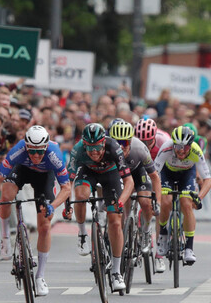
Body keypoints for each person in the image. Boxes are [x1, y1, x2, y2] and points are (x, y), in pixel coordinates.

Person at [0, 125, 71, 296]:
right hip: (22, 170)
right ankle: (5, 237)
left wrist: (52, 206)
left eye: (39, 152)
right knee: (7, 194)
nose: (35, 156)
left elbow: (66, 188)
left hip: (44, 177)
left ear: (46, 148)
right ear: (26, 147)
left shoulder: (54, 154)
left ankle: (40, 277)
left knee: (45, 226)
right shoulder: (18, 150)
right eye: (31, 151)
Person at [66, 123, 134, 291]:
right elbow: (67, 182)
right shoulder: (78, 150)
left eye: (97, 147)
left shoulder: (114, 147)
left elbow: (129, 181)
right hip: (87, 172)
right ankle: (82, 234)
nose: (94, 151)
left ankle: (116, 272)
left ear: (103, 142)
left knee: (116, 222)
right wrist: (68, 203)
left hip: (110, 174)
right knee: (81, 195)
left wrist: (121, 201)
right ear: (84, 144)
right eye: (90, 148)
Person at [154, 126, 211, 264]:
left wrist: (199, 197)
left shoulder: (196, 150)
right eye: (178, 146)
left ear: (190, 146)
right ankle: (162, 234)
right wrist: (156, 197)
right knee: (166, 201)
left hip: (187, 174)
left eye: (185, 147)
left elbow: (208, 180)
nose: (181, 150)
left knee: (187, 203)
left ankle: (189, 248)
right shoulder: (166, 148)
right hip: (167, 173)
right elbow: (154, 174)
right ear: (173, 144)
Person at [109, 120, 162, 253]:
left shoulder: (140, 148)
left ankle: (145, 231)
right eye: (117, 143)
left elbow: (155, 177)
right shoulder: (107, 149)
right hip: (118, 175)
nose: (121, 147)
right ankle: (122, 234)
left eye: (125, 143)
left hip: (138, 173)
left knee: (145, 202)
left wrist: (158, 202)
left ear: (131, 141)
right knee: (119, 208)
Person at [134, 118, 170, 273]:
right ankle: (139, 232)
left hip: (162, 170)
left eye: (148, 141)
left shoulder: (164, 142)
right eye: (142, 141)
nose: (145, 145)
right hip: (141, 168)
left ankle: (159, 256)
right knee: (144, 201)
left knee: (159, 209)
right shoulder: (134, 143)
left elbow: (169, 167)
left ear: (154, 137)